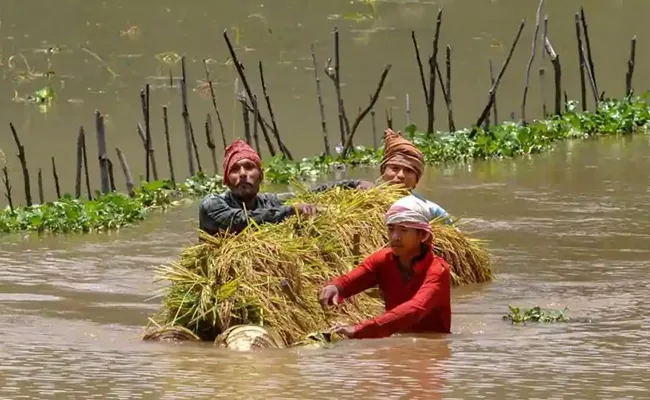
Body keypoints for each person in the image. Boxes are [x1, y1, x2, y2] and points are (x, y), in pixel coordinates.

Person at [318, 195, 452, 339]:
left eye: (403, 230)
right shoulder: (381, 260)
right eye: (391, 229)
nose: (395, 237)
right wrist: (335, 287)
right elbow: (350, 281)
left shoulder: (438, 270)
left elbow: (415, 309)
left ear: (423, 235)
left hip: (431, 347)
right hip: (397, 338)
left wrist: (359, 329)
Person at [313, 128, 453, 225]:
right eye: (395, 168)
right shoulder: (360, 194)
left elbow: (455, 234)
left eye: (409, 171)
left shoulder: (430, 210)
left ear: (417, 180)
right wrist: (355, 184)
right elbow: (318, 194)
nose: (400, 175)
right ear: (383, 172)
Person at [199, 140, 318, 235]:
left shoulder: (267, 202)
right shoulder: (211, 204)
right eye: (235, 170)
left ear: (261, 176)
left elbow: (307, 195)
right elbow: (240, 221)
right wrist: (291, 210)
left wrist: (333, 188)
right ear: (227, 181)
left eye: (249, 167)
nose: (242, 174)